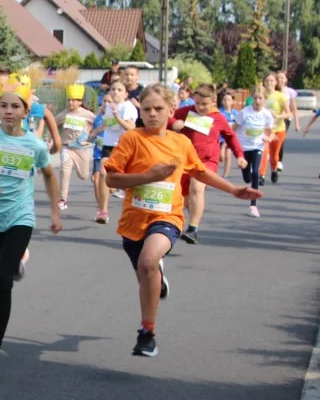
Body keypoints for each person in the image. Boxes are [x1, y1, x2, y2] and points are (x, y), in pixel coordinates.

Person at [105, 84, 260, 357]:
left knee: (148, 261)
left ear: (171, 111)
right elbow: (111, 178)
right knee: (145, 274)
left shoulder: (181, 143)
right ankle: (156, 277)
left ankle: (147, 332)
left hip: (168, 217)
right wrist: (147, 177)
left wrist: (234, 189)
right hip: (133, 221)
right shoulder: (132, 140)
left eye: (158, 109)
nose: (152, 114)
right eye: (147, 109)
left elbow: (201, 173)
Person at [0, 81, 61, 380]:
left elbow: (48, 173)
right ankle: (17, 261)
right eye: (3, 105)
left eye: (15, 106)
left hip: (21, 216)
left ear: (25, 110)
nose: (9, 111)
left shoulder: (33, 145)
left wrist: (55, 211)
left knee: (1, 281)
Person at [169, 84, 246, 245]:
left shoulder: (218, 118)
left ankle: (193, 229)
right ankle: (175, 227)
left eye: (204, 104)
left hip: (207, 161)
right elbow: (167, 118)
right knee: (185, 199)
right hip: (185, 161)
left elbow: (230, 137)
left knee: (197, 186)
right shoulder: (186, 112)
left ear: (213, 101)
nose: (200, 107)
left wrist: (239, 155)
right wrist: (173, 123)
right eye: (197, 103)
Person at [90, 80, 137, 224]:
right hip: (109, 145)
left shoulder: (128, 107)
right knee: (103, 173)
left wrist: (118, 117)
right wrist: (94, 133)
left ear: (126, 94)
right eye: (113, 89)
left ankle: (135, 212)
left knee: (128, 182)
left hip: (124, 147)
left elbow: (131, 128)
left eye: (119, 90)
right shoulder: (110, 107)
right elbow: (107, 123)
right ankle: (103, 211)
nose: (115, 92)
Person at [232, 85, 275, 217]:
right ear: (252, 98)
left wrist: (269, 138)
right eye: (255, 98)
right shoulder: (245, 112)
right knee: (247, 178)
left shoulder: (266, 114)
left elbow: (271, 132)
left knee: (256, 172)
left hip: (258, 146)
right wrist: (229, 145)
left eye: (260, 98)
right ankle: (247, 176)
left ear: (264, 99)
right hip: (244, 147)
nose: (257, 101)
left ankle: (253, 205)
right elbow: (233, 129)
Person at [54, 84, 96, 211]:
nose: (71, 103)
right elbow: (52, 125)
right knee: (64, 171)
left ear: (80, 102)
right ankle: (63, 199)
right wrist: (50, 140)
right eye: (69, 100)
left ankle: (82, 172)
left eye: (74, 100)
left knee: (83, 175)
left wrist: (92, 136)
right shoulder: (63, 115)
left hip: (81, 149)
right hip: (67, 147)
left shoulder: (88, 115)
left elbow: (98, 125)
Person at [260, 73, 291, 184]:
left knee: (274, 155)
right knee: (264, 151)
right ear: (264, 82)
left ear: (276, 82)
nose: (269, 83)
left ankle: (273, 169)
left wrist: (278, 116)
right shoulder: (260, 95)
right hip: (265, 130)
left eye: (271, 81)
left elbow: (288, 113)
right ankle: (262, 175)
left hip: (278, 129)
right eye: (267, 81)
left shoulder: (280, 96)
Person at [276, 71, 300, 170]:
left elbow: (293, 108)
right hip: (273, 118)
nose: (280, 80)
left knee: (280, 139)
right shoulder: (272, 90)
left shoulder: (290, 92)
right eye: (278, 78)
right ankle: (272, 157)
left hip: (285, 118)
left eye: (282, 78)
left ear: (286, 80)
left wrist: (297, 123)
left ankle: (279, 161)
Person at [218, 91, 239, 177]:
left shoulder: (235, 113)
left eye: (229, 100)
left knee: (228, 156)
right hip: (220, 138)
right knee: (220, 157)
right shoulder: (219, 112)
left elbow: (238, 125)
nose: (227, 102)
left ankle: (224, 175)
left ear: (232, 102)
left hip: (229, 138)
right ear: (222, 101)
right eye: (225, 100)